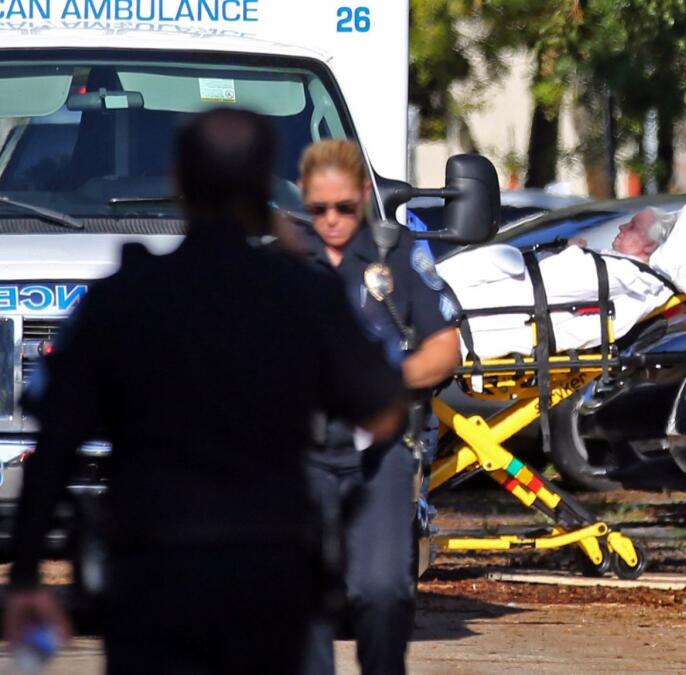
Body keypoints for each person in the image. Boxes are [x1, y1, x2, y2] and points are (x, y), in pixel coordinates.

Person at [3, 108, 409, 674]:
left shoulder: (123, 300)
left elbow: (55, 444)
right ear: (269, 185)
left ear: (177, 182)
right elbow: (384, 408)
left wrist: (25, 575)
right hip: (268, 574)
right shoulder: (301, 297)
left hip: (152, 576)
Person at [296, 139, 461, 675]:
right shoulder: (286, 263)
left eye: (344, 207)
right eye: (319, 209)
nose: (333, 220)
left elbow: (444, 346)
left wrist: (390, 379)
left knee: (385, 592)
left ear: (365, 196)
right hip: (303, 451)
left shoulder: (396, 254)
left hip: (379, 445)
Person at [568, 206, 675, 261]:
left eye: (633, 227)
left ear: (650, 246)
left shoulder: (626, 274)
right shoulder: (614, 262)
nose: (621, 227)